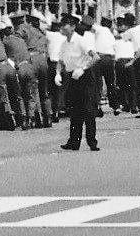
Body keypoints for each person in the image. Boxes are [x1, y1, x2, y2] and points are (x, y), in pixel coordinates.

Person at [57, 13, 100, 151]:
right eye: (62, 25)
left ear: (73, 27)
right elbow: (60, 61)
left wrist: (83, 68)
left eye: (65, 25)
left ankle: (92, 142)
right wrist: (58, 73)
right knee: (75, 111)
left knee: (88, 110)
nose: (63, 28)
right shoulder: (64, 44)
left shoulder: (81, 41)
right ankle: (73, 142)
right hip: (72, 77)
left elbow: (95, 57)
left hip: (84, 76)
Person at [1, 15, 38, 130]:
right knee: (31, 94)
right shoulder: (21, 40)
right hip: (29, 66)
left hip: (20, 69)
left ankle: (23, 117)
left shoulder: (5, 41)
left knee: (19, 95)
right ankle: (31, 117)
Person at [18, 10, 52, 127]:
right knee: (44, 90)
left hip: (32, 59)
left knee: (33, 90)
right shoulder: (42, 33)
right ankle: (48, 117)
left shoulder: (26, 29)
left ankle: (37, 117)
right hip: (43, 59)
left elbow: (17, 38)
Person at [92, 14, 119, 117]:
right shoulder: (110, 34)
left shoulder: (99, 29)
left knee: (97, 84)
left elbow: (92, 27)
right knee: (111, 83)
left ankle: (97, 107)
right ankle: (115, 106)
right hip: (109, 59)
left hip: (99, 58)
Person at [113, 15, 137, 114]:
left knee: (121, 85)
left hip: (120, 62)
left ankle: (125, 104)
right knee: (132, 86)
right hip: (130, 62)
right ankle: (133, 106)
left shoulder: (115, 39)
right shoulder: (132, 39)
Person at [45, 19, 67, 123]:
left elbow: (43, 29)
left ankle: (52, 112)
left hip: (53, 64)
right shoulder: (64, 37)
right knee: (60, 89)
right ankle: (58, 110)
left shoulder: (49, 36)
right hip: (63, 64)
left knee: (50, 89)